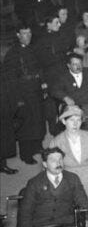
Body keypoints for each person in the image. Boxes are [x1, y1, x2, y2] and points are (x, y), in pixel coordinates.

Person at [17, 147, 88, 227]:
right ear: (45, 164)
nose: (58, 163)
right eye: (53, 160)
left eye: (60, 159)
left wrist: (86, 219)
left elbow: (83, 202)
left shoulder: (72, 179)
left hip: (65, 226)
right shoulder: (34, 183)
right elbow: (25, 211)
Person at [3, 26, 46, 164]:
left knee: (38, 120)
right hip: (22, 94)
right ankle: (26, 154)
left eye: (29, 32)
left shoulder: (33, 49)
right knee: (26, 124)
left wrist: (43, 83)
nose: (28, 36)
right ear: (17, 35)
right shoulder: (12, 54)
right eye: (24, 33)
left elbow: (40, 68)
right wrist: (18, 100)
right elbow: (10, 80)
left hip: (36, 90)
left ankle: (37, 147)